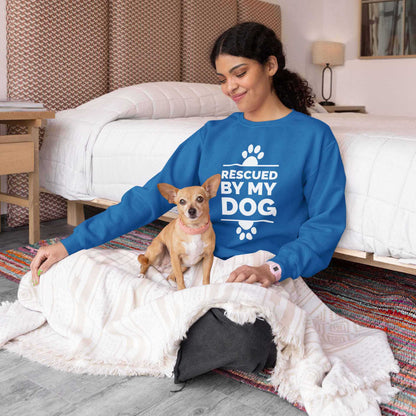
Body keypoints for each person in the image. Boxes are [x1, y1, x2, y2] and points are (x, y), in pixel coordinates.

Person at [30, 22, 346, 381]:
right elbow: (149, 198)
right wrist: (70, 244)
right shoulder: (212, 135)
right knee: (71, 270)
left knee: (249, 338)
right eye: (222, 78)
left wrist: (272, 269)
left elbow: (325, 225)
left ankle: (155, 330)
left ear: (271, 66)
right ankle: (174, 325)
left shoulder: (313, 137)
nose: (230, 87)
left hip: (262, 276)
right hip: (203, 264)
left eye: (239, 73)